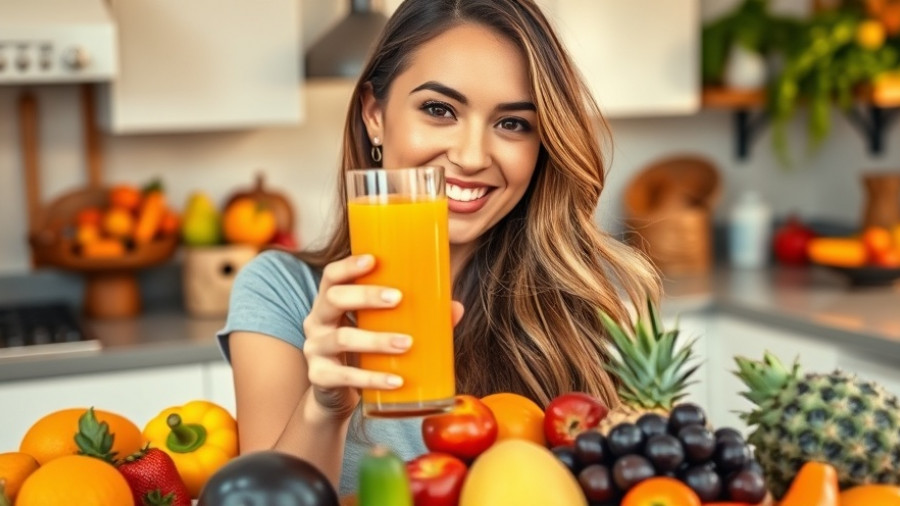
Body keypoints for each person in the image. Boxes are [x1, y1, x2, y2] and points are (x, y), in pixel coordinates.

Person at [217, 0, 661, 494]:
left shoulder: (590, 303)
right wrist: (325, 407)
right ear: (374, 114)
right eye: (439, 110)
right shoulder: (281, 291)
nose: (471, 157)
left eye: (512, 123)